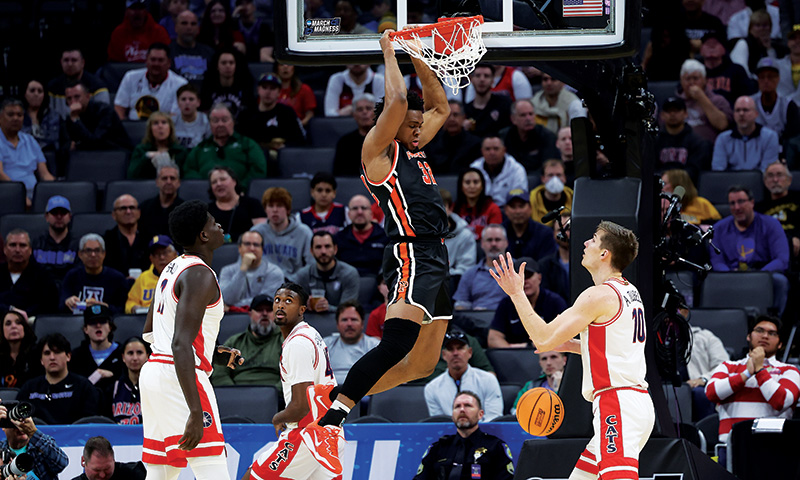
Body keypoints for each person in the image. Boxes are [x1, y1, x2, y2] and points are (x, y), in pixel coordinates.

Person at [307, 31, 454, 474]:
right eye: (411, 124)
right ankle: (334, 415)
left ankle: (333, 396)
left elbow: (440, 106)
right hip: (410, 255)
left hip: (438, 258)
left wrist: (418, 56)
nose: (419, 128)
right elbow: (397, 103)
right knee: (395, 344)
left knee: (421, 365)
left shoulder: (414, 145)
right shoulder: (378, 154)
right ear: (391, 126)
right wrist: (390, 50)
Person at [491, 221, 654, 480]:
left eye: (593, 239)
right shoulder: (629, 291)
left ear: (604, 254)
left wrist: (516, 294)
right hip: (635, 404)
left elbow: (543, 340)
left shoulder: (598, 295)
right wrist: (578, 345)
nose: (586, 243)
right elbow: (620, 349)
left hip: (617, 404)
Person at [139, 200, 231, 479]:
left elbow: (151, 332)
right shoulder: (200, 274)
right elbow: (180, 343)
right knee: (213, 470)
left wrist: (213, 350)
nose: (220, 227)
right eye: (214, 223)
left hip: (155, 371)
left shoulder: (170, 268)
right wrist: (195, 410)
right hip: (179, 374)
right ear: (203, 235)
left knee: (161, 473)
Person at [242, 282, 342, 480]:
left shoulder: (297, 344)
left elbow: (300, 407)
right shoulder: (311, 334)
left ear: (302, 310)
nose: (281, 305)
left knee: (251, 477)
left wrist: (278, 418)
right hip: (330, 433)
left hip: (307, 434)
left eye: (289, 301)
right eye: (277, 300)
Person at [705, 315, 800, 457]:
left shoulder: (789, 370)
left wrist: (760, 370)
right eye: (759, 330)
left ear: (780, 344)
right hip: (731, 447)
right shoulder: (728, 366)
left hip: (774, 448)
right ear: (749, 336)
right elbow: (711, 393)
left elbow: (781, 400)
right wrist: (746, 374)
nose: (765, 336)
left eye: (772, 333)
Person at [710, 186, 789, 314]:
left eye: (741, 201)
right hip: (730, 275)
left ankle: (775, 323)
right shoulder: (719, 228)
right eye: (732, 203)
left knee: (780, 282)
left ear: (752, 202)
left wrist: (757, 276)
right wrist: (730, 275)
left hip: (763, 273)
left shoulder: (771, 224)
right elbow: (717, 261)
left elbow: (782, 260)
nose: (737, 207)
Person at [414, 391, 514, 480]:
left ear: (480, 414)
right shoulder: (437, 448)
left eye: (468, 405)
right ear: (453, 416)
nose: (462, 410)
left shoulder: (495, 447)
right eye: (457, 406)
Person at [18, 333, 100, 424]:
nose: (52, 357)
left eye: (57, 352)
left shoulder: (84, 387)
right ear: (41, 360)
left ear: (68, 356)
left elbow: (91, 423)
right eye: (47, 353)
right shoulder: (29, 388)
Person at [488, 257, 567, 348]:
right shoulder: (506, 303)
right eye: (519, 276)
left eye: (528, 275)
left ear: (539, 278)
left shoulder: (555, 302)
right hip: (515, 359)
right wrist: (515, 351)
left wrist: (530, 346)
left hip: (548, 354)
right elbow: (493, 338)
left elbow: (563, 335)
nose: (524, 281)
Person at [183, 104, 267, 188]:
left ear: (233, 122)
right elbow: (188, 171)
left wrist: (240, 188)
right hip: (206, 196)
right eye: (215, 121)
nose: (220, 124)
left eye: (224, 120)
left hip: (240, 195)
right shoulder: (200, 148)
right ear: (210, 124)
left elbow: (258, 170)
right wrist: (205, 187)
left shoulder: (247, 144)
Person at [424, 332, 503, 421]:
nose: (455, 353)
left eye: (460, 348)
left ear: (470, 352)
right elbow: (440, 423)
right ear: (444, 355)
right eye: (450, 349)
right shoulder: (432, 388)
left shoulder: (488, 380)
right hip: (450, 434)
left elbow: (493, 418)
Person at [211, 294, 282, 388]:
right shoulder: (234, 342)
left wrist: (272, 395)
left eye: (269, 310)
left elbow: (292, 376)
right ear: (250, 314)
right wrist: (234, 393)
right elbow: (219, 374)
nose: (264, 313)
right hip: (237, 398)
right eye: (259, 310)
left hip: (277, 399)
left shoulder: (285, 343)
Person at [114, 44, 188, 121]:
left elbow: (175, 117)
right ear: (146, 60)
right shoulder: (130, 77)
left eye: (160, 60)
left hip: (163, 129)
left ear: (169, 63)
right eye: (153, 59)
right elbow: (119, 108)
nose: (156, 64)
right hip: (133, 128)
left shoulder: (181, 84)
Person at [0, 98, 55, 202]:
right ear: (0, 117)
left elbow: (44, 174)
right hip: (7, 195)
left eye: (19, 115)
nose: (15, 118)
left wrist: (57, 189)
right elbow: (0, 174)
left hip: (35, 194)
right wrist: (20, 197)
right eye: (10, 115)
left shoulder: (30, 140)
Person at [251, 187, 314, 276]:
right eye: (271, 206)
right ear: (265, 209)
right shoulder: (256, 232)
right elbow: (246, 264)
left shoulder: (304, 232)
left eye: (279, 206)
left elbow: (311, 265)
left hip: (293, 283)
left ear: (288, 210)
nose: (275, 210)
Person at [291, 231, 360, 313]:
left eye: (327, 246)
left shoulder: (349, 274)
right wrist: (303, 305)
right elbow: (292, 308)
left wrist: (328, 308)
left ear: (335, 249)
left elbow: (347, 311)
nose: (323, 251)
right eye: (318, 247)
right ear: (311, 251)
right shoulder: (302, 275)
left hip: (339, 323)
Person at [61, 234, 128, 314]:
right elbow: (61, 306)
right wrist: (68, 301)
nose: (93, 255)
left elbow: (123, 311)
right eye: (88, 251)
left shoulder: (117, 279)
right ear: (80, 254)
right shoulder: (72, 276)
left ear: (104, 254)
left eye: (97, 250)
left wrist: (105, 307)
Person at [0, 402, 68, 480]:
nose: (19, 425)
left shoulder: (42, 446)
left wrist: (33, 432)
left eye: (22, 421)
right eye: (12, 423)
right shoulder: (1, 449)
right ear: (3, 427)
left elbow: (61, 463)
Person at [712, 95, 780, 171]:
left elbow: (768, 170)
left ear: (756, 114)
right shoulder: (722, 139)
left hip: (759, 181)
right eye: (737, 110)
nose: (741, 114)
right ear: (734, 115)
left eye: (745, 110)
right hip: (730, 182)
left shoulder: (770, 137)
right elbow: (718, 171)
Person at [0, 229, 59, 316]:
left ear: (30, 250)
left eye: (22, 245)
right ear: (5, 249)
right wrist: (10, 310)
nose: (17, 250)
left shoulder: (44, 275)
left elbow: (49, 305)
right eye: (12, 245)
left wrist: (24, 316)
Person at [70, 305, 126, 397]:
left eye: (103, 322)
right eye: (92, 322)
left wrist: (113, 376)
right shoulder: (77, 356)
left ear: (110, 327)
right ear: (85, 329)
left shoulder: (123, 353)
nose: (98, 325)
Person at [219, 231, 284, 309]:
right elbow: (226, 299)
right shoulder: (227, 271)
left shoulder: (274, 272)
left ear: (262, 249)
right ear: (239, 248)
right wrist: (243, 269)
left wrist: (233, 307)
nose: (252, 248)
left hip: (263, 317)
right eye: (247, 244)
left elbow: (264, 302)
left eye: (256, 245)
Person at [655, 97, 713, 182]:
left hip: (687, 187)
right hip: (659, 186)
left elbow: (695, 171)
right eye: (668, 111)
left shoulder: (698, 142)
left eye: (677, 110)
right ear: (662, 115)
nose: (672, 114)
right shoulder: (654, 141)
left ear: (686, 113)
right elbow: (651, 168)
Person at [64, 81, 133, 152]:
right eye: (69, 99)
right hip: (90, 156)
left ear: (87, 96)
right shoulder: (71, 116)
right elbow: (66, 142)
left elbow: (95, 142)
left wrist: (76, 120)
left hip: (117, 153)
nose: (73, 102)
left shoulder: (105, 111)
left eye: (77, 97)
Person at [453, 225, 509, 311]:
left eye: (498, 240)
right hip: (478, 321)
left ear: (506, 243)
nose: (493, 244)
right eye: (489, 240)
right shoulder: (469, 274)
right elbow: (460, 304)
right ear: (482, 244)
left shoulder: (517, 270)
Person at [677, 59, 733, 142]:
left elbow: (722, 125)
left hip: (709, 149)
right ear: (681, 81)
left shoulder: (718, 100)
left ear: (705, 80)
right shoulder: (675, 102)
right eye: (687, 79)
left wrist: (701, 98)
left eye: (695, 78)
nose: (691, 82)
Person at [323, 300, 380, 382]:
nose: (349, 324)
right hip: (331, 391)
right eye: (344, 320)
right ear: (337, 325)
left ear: (362, 324)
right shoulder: (325, 345)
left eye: (354, 320)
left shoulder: (375, 346)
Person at [47, 47, 111, 120]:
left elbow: (104, 116)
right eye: (66, 60)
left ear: (82, 63)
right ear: (61, 62)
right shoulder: (53, 86)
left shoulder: (98, 86)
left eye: (74, 60)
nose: (70, 64)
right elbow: (51, 117)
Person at [206, 166, 266, 243]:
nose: (218, 184)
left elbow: (262, 233)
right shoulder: (206, 210)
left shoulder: (252, 204)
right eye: (214, 182)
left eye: (223, 179)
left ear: (234, 181)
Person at [334, 194, 389, 277]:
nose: (359, 212)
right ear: (349, 214)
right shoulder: (339, 238)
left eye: (364, 208)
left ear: (371, 213)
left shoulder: (385, 237)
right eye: (355, 208)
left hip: (378, 284)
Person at [756, 161, 800, 263]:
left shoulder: (798, 200)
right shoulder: (758, 209)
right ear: (765, 182)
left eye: (779, 175)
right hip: (770, 251)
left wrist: (798, 237)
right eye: (770, 176)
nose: (775, 180)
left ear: (789, 180)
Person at [424, 99, 483, 175]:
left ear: (463, 118)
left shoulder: (474, 144)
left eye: (455, 115)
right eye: (448, 116)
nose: (451, 119)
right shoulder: (431, 143)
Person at [700, 31, 757, 108]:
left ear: (724, 49)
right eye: (707, 44)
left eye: (715, 44)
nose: (711, 47)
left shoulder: (736, 71)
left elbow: (746, 98)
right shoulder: (696, 72)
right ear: (701, 50)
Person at [750, 57, 800, 143]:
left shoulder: (789, 106)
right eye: (762, 77)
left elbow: (793, 139)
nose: (766, 81)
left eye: (770, 77)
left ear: (778, 79)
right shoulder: (749, 104)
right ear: (757, 80)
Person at [501, 99, 559, 172]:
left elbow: (547, 166)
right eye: (523, 115)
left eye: (531, 114)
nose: (528, 119)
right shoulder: (504, 136)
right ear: (513, 119)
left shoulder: (547, 136)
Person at [469, 136, 527, 207]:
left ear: (504, 150)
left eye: (496, 149)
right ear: (482, 151)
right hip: (481, 210)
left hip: (508, 211)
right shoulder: (474, 168)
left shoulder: (517, 169)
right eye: (487, 149)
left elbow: (519, 197)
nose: (492, 153)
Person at [127, 111, 188, 179]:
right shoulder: (141, 150)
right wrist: (146, 157)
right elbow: (131, 176)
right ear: (150, 129)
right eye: (156, 123)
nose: (160, 126)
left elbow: (186, 176)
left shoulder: (180, 151)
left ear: (170, 128)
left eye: (164, 122)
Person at [126, 236, 179, 313]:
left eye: (165, 252)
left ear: (175, 254)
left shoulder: (184, 275)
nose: (162, 257)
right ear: (151, 258)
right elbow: (130, 303)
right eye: (157, 254)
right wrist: (134, 308)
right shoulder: (143, 278)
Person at [107, 0, 171, 63]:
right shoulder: (118, 33)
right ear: (126, 11)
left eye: (140, 8)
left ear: (146, 11)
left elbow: (166, 58)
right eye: (133, 8)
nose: (137, 12)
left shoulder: (159, 31)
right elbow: (114, 64)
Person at [199, 48, 254, 120]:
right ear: (217, 66)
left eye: (231, 63)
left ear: (235, 66)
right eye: (223, 63)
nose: (228, 66)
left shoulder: (246, 87)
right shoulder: (208, 88)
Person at [504, 188, 557, 261]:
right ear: (505, 210)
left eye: (521, 206)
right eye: (513, 207)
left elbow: (547, 263)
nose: (517, 211)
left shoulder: (544, 233)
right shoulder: (498, 233)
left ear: (530, 208)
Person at [104, 195, 151, 275]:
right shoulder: (106, 240)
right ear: (114, 215)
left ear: (139, 213)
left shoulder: (150, 238)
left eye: (132, 208)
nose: (128, 212)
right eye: (123, 208)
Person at [454, 167, 503, 241]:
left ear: (482, 186)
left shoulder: (492, 209)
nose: (472, 186)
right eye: (467, 182)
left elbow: (495, 237)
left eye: (476, 182)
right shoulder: (454, 209)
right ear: (461, 186)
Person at [138, 163, 185, 240]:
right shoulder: (144, 208)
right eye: (164, 178)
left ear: (179, 183)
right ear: (157, 182)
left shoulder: (186, 210)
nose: (168, 182)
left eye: (172, 178)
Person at [440, 189, 477, 287]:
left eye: (441, 206)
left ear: (450, 208)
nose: (437, 211)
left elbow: (466, 269)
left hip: (452, 283)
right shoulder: (419, 235)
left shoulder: (465, 235)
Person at [464, 64, 513, 137]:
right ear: (472, 79)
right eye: (478, 75)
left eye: (486, 76)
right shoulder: (465, 110)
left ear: (492, 81)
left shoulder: (504, 105)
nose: (482, 79)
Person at [169, 10, 215, 88]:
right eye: (184, 23)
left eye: (193, 24)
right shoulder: (168, 52)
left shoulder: (209, 53)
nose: (189, 27)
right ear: (176, 27)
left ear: (198, 29)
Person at [110, 337, 151, 425]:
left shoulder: (155, 387)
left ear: (147, 356)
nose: (135, 358)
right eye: (130, 353)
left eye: (139, 353)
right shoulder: (114, 387)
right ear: (123, 357)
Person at [333, 94, 376, 176]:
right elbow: (339, 174)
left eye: (368, 108)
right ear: (354, 115)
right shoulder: (345, 143)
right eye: (360, 109)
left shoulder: (387, 140)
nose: (364, 112)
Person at [71, 436, 147, 480]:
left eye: (107, 469)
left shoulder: (134, 474)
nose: (102, 475)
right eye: (96, 470)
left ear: (113, 460)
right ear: (83, 461)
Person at [0, 308, 41, 388]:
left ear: (24, 328)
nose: (14, 326)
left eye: (18, 323)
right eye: (8, 324)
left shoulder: (36, 354)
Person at [539, 211, 572, 304]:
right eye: (560, 230)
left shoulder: (590, 262)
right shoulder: (544, 265)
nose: (565, 234)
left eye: (568, 229)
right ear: (553, 233)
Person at [529, 159, 574, 227]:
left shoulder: (573, 198)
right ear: (543, 178)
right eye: (550, 175)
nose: (555, 179)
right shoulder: (531, 200)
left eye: (559, 175)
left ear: (565, 178)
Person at [22, 79, 61, 153]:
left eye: (40, 91)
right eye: (32, 91)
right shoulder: (17, 114)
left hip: (49, 155)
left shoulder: (53, 115)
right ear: (25, 94)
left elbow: (52, 139)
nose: (36, 94)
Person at [276, 61, 317, 127]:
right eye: (281, 64)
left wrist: (298, 126)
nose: (285, 67)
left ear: (294, 68)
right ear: (277, 68)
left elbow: (310, 115)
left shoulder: (305, 89)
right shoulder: (270, 90)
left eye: (289, 64)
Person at [173, 84, 210, 148]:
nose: (187, 103)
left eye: (191, 99)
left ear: (198, 102)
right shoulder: (172, 121)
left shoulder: (207, 122)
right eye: (183, 99)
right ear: (178, 102)